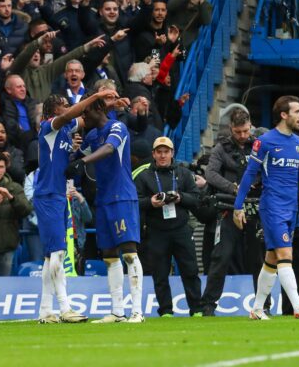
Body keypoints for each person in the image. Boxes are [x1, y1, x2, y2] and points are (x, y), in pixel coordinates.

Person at [233, 95, 299, 320]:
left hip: (291, 209)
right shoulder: (266, 141)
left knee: (271, 259)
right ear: (284, 115)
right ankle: (298, 306)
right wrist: (237, 206)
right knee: (285, 254)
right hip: (272, 207)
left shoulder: (298, 143)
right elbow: (250, 174)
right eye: (297, 111)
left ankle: (257, 308)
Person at [33, 91, 114, 324]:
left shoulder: (66, 129)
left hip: (59, 196)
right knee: (58, 253)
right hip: (48, 196)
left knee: (51, 257)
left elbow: (86, 115)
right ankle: (65, 308)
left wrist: (110, 104)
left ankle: (46, 311)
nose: (69, 108)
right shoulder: (49, 126)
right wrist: (98, 93)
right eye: (64, 104)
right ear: (53, 111)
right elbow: (74, 112)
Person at [67, 92, 145, 323]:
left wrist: (82, 162)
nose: (83, 116)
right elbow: (79, 155)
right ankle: (117, 311)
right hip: (103, 200)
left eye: (86, 112)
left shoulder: (117, 127)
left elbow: (109, 150)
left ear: (98, 110)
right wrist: (72, 154)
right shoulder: (91, 136)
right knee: (109, 256)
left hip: (122, 197)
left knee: (130, 253)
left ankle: (138, 312)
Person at [200, 108, 268, 316]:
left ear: (250, 127)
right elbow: (210, 174)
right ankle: (208, 306)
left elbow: (269, 170)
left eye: (245, 131)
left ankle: (263, 305)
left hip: (254, 207)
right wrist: (233, 187)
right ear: (231, 128)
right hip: (229, 207)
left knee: (259, 258)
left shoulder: (260, 144)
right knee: (221, 256)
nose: (242, 136)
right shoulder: (222, 148)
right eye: (238, 132)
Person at [134, 137, 202, 317]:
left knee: (190, 270)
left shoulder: (184, 173)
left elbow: (196, 198)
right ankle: (165, 311)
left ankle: (196, 309)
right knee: (160, 273)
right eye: (159, 152)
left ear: (172, 153)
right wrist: (151, 202)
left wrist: (180, 198)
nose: (163, 155)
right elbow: (135, 202)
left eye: (166, 152)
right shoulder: (144, 176)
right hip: (156, 231)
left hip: (181, 228)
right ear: (153, 154)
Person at [0, 152, 32, 275]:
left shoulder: (14, 188)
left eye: (1, 167)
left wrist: (11, 198)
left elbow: (26, 211)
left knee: (4, 285)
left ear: (6, 168)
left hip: (8, 246)